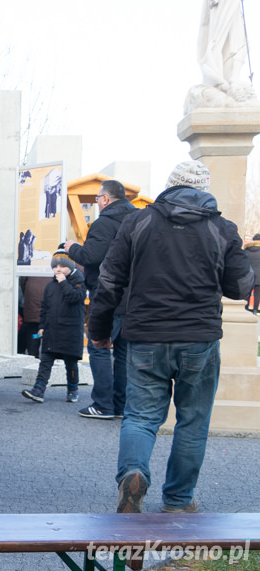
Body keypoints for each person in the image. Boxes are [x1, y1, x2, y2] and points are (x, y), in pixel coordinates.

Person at [88, 160, 254, 517]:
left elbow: (109, 281)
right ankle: (178, 501)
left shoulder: (138, 221)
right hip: (199, 340)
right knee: (192, 421)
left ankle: (133, 474)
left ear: (170, 186)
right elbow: (241, 287)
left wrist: (98, 331)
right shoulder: (221, 229)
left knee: (141, 417)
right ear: (204, 190)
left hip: (146, 337)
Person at [64, 180, 137, 420]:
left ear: (105, 199)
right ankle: (120, 404)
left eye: (97, 198)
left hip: (108, 295)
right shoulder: (139, 219)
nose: (97, 202)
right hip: (134, 297)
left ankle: (104, 405)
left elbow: (91, 256)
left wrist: (71, 248)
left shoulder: (104, 223)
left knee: (98, 346)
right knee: (124, 352)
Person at [21, 249, 86, 404]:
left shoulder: (78, 282)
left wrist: (63, 282)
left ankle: (72, 389)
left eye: (62, 266)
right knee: (45, 361)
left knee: (71, 364)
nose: (58, 269)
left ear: (70, 267)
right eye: (55, 266)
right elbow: (44, 308)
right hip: (52, 330)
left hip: (70, 331)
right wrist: (42, 326)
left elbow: (75, 297)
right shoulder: (50, 286)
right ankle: (38, 389)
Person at [17, 275, 50, 358]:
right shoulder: (53, 271)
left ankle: (33, 354)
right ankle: (47, 357)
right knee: (48, 333)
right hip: (49, 311)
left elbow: (22, 282)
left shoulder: (30, 271)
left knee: (33, 333)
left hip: (31, 307)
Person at [245, 233, 260, 314]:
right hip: (259, 276)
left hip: (248, 275)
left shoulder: (247, 250)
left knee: (247, 293)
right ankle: (254, 310)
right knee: (258, 294)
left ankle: (246, 309)